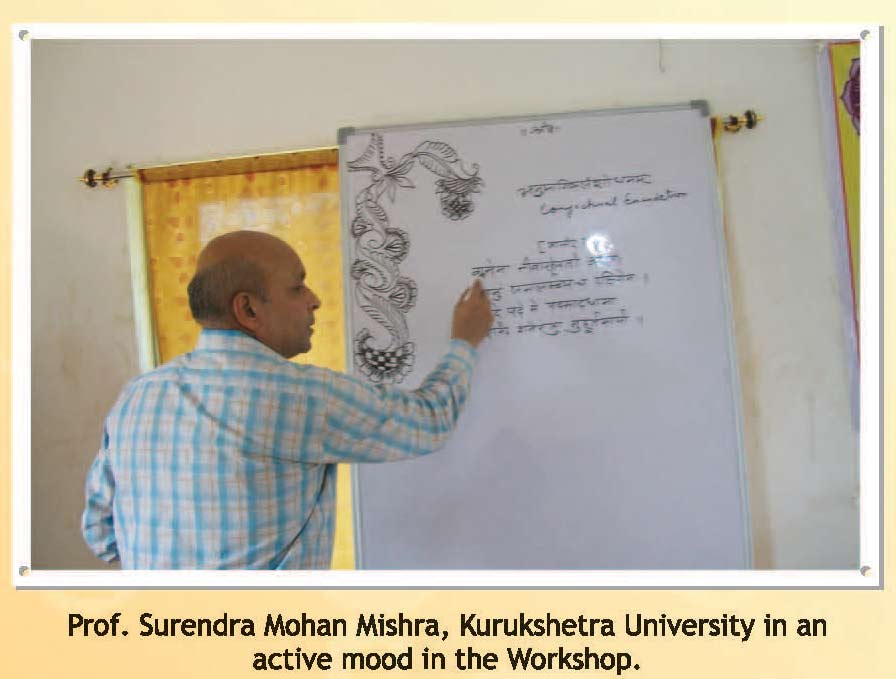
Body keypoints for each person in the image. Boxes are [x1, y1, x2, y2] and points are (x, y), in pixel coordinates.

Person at [81, 230, 493, 569]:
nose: (314, 299)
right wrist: (465, 342)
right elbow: (429, 421)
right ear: (248, 309)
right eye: (297, 287)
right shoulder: (301, 398)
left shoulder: (138, 395)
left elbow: (101, 534)